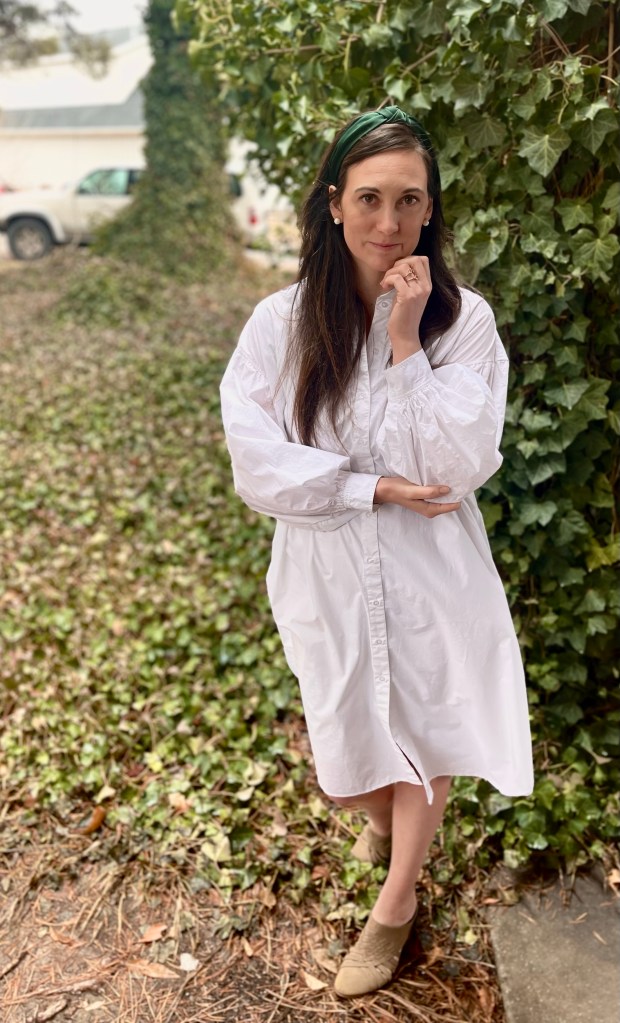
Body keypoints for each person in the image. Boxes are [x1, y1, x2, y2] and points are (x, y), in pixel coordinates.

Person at [220, 106, 533, 998]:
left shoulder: (462, 322)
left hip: (432, 569)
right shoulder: (280, 325)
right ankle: (383, 819)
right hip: (325, 568)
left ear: (431, 209)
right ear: (333, 204)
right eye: (369, 198)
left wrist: (404, 342)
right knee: (345, 752)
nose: (389, 223)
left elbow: (454, 466)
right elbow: (259, 463)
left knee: (428, 725)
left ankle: (396, 904)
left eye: (409, 200)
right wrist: (370, 487)